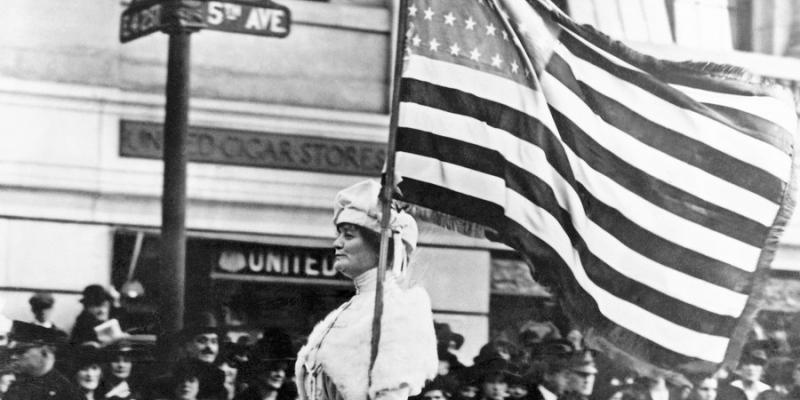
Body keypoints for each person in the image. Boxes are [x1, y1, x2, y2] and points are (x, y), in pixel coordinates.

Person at [295, 179, 438, 400]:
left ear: (379, 246)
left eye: (349, 235)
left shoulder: (399, 311)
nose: (337, 243)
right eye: (339, 233)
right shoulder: (345, 312)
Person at [4, 321, 82, 400]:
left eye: (21, 351)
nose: (13, 356)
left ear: (44, 353)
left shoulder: (66, 392)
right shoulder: (10, 384)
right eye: (12, 352)